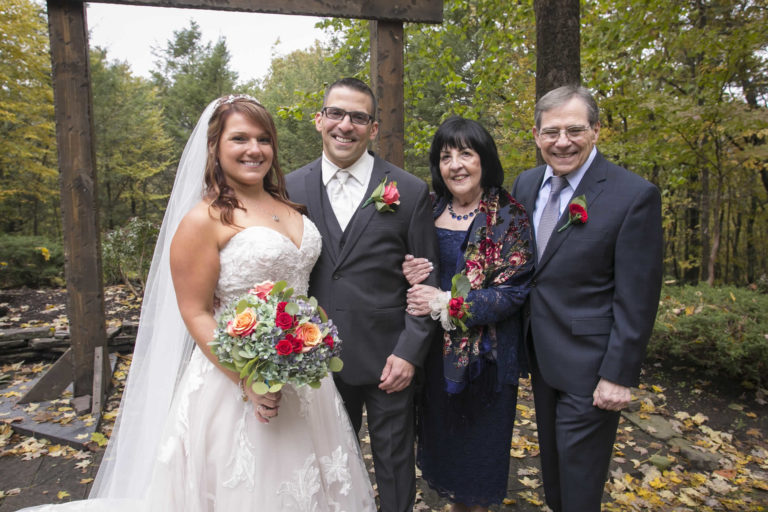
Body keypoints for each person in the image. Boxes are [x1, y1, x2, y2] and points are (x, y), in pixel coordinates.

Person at [21, 95, 376, 511]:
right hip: (234, 386)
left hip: (305, 383)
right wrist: (247, 379)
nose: (254, 149)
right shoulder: (204, 219)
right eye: (239, 138)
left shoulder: (289, 207)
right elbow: (195, 311)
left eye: (263, 139)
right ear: (216, 147)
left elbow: (302, 289)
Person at [285, 78, 439, 512]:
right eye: (336, 113)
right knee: (324, 468)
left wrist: (409, 352)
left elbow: (427, 281)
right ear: (320, 120)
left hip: (388, 359)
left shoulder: (408, 191)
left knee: (394, 464)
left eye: (358, 117)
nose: (345, 125)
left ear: (373, 129)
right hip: (312, 360)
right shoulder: (288, 188)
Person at [510, 85, 663, 512]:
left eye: (574, 130)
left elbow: (639, 294)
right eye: (551, 131)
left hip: (593, 368)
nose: (562, 142)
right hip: (539, 357)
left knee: (580, 484)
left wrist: (619, 373)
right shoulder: (525, 185)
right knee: (554, 477)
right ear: (537, 135)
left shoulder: (632, 196)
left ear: (596, 131)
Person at [402, 116, 534, 511]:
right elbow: (410, 266)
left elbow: (512, 293)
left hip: (485, 367)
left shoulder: (510, 217)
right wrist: (408, 268)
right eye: (446, 156)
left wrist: (443, 303)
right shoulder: (426, 208)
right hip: (430, 361)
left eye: (466, 153)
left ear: (484, 160)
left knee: (476, 472)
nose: (455, 164)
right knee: (443, 461)